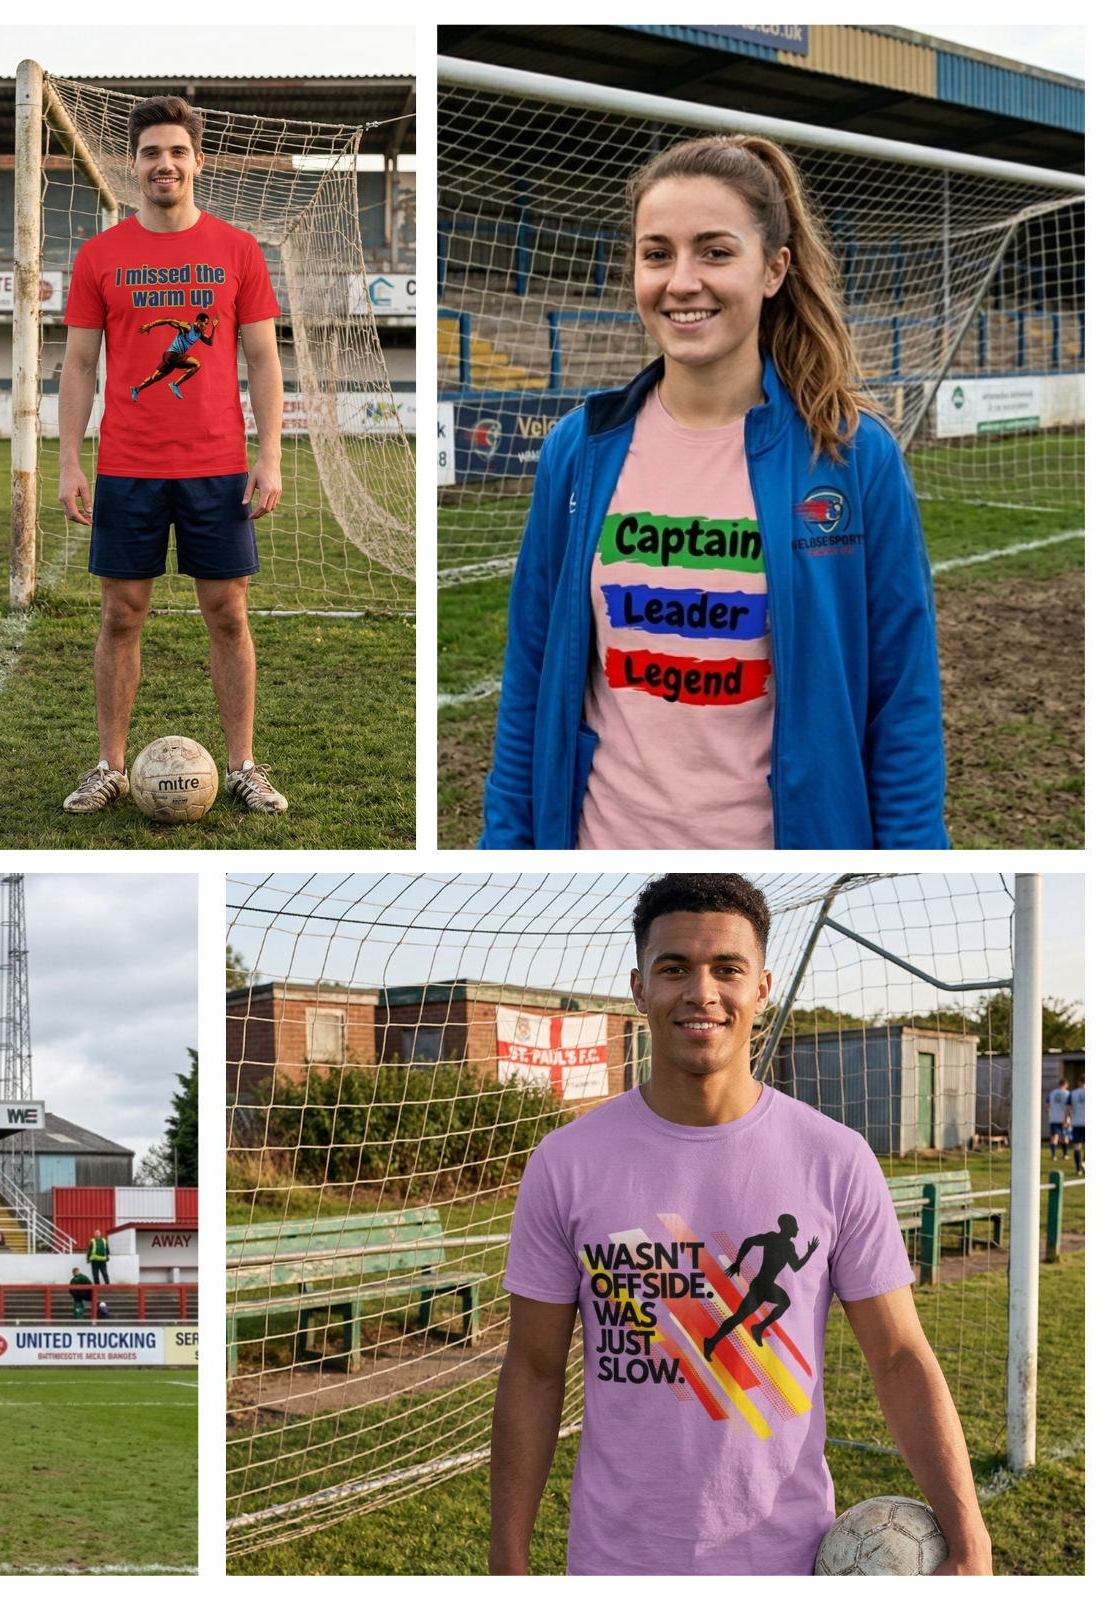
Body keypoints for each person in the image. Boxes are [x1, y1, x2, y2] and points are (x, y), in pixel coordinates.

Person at [490, 873, 990, 1575]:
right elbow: (535, 1372)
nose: (702, 992)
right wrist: (506, 1568)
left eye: (728, 969)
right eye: (674, 969)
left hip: (786, 1562)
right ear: (639, 988)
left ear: (762, 988)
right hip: (616, 1564)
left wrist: (971, 1543)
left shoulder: (835, 1159)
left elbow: (900, 1358)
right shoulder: (566, 1163)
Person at [481, 135, 947, 849]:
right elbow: (530, 678)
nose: (682, 280)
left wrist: (919, 862)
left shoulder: (853, 457)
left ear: (773, 270)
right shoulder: (579, 448)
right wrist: (504, 849)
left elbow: (902, 701)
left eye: (716, 251)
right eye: (658, 253)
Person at [58, 95, 290, 818]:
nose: (166, 163)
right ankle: (109, 766)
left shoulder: (238, 250)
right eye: (153, 152)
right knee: (121, 614)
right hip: (127, 465)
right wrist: (69, 459)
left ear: (198, 160)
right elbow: (76, 366)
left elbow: (261, 359)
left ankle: (245, 765)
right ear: (134, 165)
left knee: (228, 613)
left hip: (217, 465)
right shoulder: (100, 255)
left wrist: (271, 453)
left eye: (178, 151)